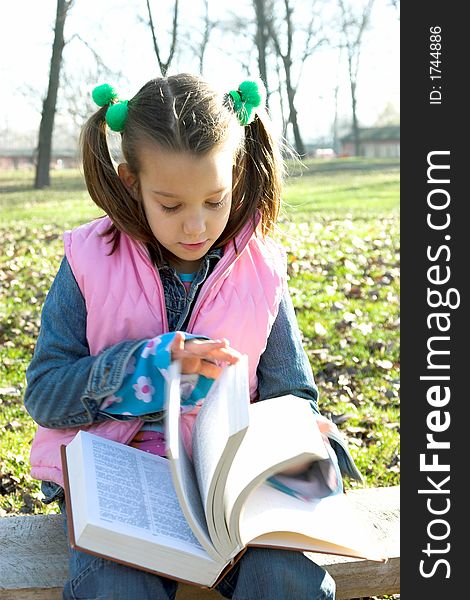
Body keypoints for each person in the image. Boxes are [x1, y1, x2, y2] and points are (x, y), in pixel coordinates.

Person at [24, 74, 340, 600]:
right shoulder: (88, 261)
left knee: (285, 580)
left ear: (235, 174)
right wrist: (144, 369)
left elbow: (293, 392)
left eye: (214, 201)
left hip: (227, 495)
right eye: (171, 206)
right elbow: (46, 394)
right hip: (118, 485)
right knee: (117, 584)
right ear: (131, 182)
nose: (196, 227)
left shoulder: (260, 268)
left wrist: (303, 436)